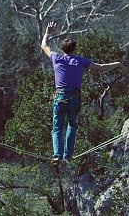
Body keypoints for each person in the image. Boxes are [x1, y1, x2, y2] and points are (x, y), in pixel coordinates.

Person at [40, 21, 122, 164]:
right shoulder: (80, 61)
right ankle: (68, 155)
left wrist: (48, 32)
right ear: (74, 49)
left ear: (62, 49)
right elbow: (101, 67)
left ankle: (57, 155)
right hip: (74, 97)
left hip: (60, 96)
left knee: (57, 127)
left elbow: (44, 46)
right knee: (72, 124)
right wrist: (117, 64)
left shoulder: (56, 58)